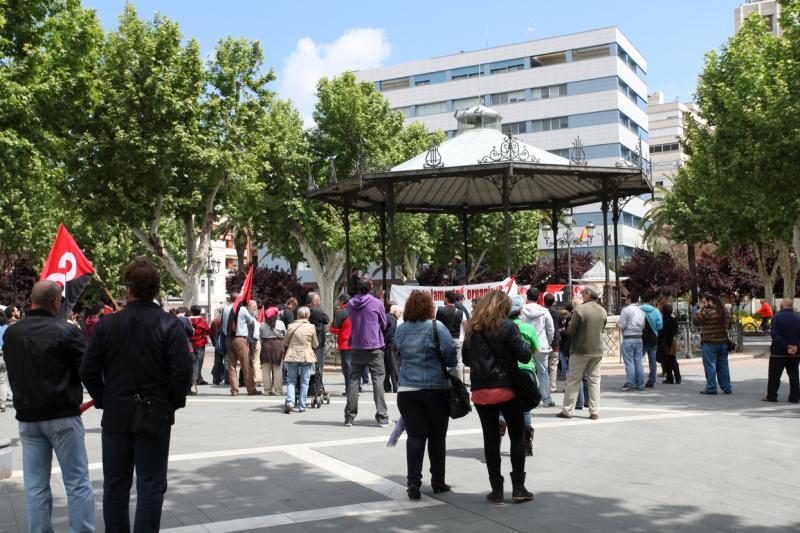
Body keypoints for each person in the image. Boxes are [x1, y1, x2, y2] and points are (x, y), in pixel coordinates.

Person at [4, 281, 95, 531]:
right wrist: (101, 395)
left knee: (35, 485)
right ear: (56, 302)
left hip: (28, 417)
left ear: (32, 301)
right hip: (63, 415)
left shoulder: (12, 334)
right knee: (77, 482)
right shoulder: (66, 331)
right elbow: (86, 369)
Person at [463, 290, 534, 505]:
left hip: (481, 391)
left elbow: (466, 359)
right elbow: (524, 355)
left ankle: (496, 490)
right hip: (506, 388)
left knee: (491, 439)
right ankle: (519, 488)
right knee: (516, 435)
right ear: (504, 308)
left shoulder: (472, 330)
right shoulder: (508, 327)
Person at [394, 291, 457, 500]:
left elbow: (398, 352)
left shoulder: (400, 330)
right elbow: (450, 357)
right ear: (429, 307)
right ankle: (438, 481)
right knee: (437, 437)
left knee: (415, 436)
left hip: (407, 390)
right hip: (435, 389)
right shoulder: (436, 327)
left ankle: (413, 482)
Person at [344, 275, 389, 427]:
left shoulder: (350, 304)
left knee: (353, 381)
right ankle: (382, 416)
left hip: (356, 345)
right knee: (378, 381)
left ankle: (349, 417)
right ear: (370, 287)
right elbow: (384, 323)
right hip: (374, 346)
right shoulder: (377, 303)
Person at [557, 287, 607, 420]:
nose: (581, 294)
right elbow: (602, 328)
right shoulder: (602, 310)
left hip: (580, 349)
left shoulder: (580, 309)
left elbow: (571, 330)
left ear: (589, 294)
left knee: (573, 380)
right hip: (597, 350)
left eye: (583, 292)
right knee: (594, 381)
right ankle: (594, 411)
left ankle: (568, 410)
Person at [508, 295, 538, 457]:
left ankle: (496, 440)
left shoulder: (501, 327)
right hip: (527, 370)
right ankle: (527, 443)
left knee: (502, 407)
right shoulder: (528, 328)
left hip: (507, 372)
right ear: (520, 311)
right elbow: (536, 350)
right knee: (525, 408)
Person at [221, 292, 260, 396]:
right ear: (238, 299)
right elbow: (251, 321)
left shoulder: (225, 309)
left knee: (231, 365)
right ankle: (251, 389)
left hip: (228, 338)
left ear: (230, 299)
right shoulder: (242, 309)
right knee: (246, 364)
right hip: (239, 338)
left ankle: (234, 390)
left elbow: (223, 325)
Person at [521, 287, 555, 407]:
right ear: (539, 297)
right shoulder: (544, 311)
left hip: (524, 345)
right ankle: (546, 399)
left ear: (526, 296)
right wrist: (548, 341)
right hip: (542, 345)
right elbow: (551, 330)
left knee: (525, 372)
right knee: (543, 372)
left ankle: (527, 396)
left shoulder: (522, 310)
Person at [693, 293, 732, 395]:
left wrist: (699, 309)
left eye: (704, 301)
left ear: (710, 301)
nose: (703, 304)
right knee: (723, 365)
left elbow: (696, 320)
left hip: (710, 343)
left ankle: (711, 387)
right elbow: (729, 325)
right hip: (723, 343)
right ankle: (726, 387)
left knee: (710, 365)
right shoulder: (725, 312)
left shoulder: (707, 312)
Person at [763, 298, 800, 403]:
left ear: (782, 306)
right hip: (795, 353)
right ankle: (795, 397)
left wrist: (787, 346)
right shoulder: (798, 318)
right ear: (792, 306)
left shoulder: (776, 317)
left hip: (778, 352)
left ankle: (772, 396)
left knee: (774, 376)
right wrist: (796, 346)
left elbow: (775, 335)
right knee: (794, 376)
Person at [283, 306, 318, 413]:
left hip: (293, 355)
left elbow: (285, 342)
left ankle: (290, 402)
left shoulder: (291, 326)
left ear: (297, 315)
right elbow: (315, 344)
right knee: (304, 382)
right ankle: (302, 405)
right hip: (306, 356)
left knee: (291, 380)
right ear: (308, 315)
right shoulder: (311, 327)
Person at [435, 291, 467, 381]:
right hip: (456, 339)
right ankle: (458, 383)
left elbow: (436, 325)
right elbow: (465, 326)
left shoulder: (440, 310)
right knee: (458, 362)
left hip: (443, 340)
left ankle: (443, 381)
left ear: (446, 299)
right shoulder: (461, 312)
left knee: (442, 361)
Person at [618, 293, 646, 391]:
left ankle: (630, 383)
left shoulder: (626, 310)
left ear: (629, 299)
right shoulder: (641, 311)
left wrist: (619, 326)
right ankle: (640, 384)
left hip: (628, 338)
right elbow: (643, 326)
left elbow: (621, 325)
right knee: (638, 361)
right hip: (639, 338)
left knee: (629, 362)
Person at [260, 307, 286, 396]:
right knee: (278, 370)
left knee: (265, 370)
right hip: (277, 347)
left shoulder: (262, 324)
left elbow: (260, 337)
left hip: (265, 347)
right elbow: (285, 335)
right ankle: (278, 391)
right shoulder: (280, 323)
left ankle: (267, 390)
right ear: (275, 315)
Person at [330, 293, 352, 396]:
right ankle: (357, 387)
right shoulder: (356, 311)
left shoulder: (341, 312)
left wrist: (330, 325)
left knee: (347, 367)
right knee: (355, 366)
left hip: (345, 343)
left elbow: (334, 329)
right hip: (357, 342)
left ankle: (350, 389)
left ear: (342, 301)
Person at [640, 291, 663, 388]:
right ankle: (651, 379)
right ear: (651, 300)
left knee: (638, 359)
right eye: (655, 300)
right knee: (652, 361)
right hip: (653, 338)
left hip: (641, 337)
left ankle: (638, 378)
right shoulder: (656, 311)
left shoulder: (638, 309)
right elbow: (660, 326)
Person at [307, 292, 330, 382]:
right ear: (313, 301)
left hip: (306, 341)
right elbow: (327, 320)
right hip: (318, 341)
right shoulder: (319, 311)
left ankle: (307, 385)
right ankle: (317, 385)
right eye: (318, 301)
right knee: (318, 364)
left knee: (307, 364)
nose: (319, 302)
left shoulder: (302, 310)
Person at [189, 305, 211, 386]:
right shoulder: (202, 320)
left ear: (191, 311)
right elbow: (208, 330)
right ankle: (197, 378)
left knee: (193, 361)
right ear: (200, 311)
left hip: (190, 343)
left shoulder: (188, 319)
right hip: (200, 342)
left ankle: (197, 377)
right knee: (199, 361)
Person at [543, 293, 561, 394]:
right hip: (555, 342)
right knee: (553, 365)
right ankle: (553, 386)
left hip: (544, 341)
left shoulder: (542, 312)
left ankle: (544, 387)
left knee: (544, 366)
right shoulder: (558, 313)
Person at [659, 303, 681, 384]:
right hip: (673, 341)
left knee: (667, 360)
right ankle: (677, 377)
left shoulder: (663, 320)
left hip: (666, 342)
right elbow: (676, 331)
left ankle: (670, 378)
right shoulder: (674, 320)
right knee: (673, 360)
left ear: (663, 312)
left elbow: (661, 332)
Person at [383, 304, 402, 393]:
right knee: (394, 366)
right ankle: (396, 386)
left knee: (387, 367)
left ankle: (387, 386)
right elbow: (389, 334)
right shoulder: (392, 319)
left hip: (386, 345)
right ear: (394, 312)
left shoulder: (388, 317)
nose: (400, 314)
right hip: (391, 345)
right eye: (399, 312)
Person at [210, 307, 228, 385]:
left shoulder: (215, 321)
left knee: (217, 362)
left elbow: (211, 333)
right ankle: (227, 379)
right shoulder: (227, 320)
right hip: (227, 343)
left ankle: (216, 379)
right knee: (227, 361)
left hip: (218, 344)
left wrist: (214, 343)